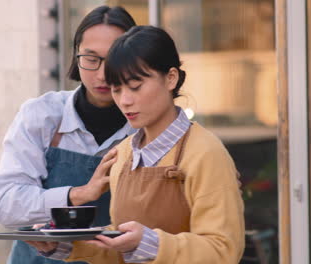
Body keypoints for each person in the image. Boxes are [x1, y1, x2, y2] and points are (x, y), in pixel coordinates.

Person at [31, 25, 245, 263]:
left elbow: (223, 250)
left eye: (135, 87)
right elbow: (120, 251)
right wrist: (65, 247)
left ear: (171, 78)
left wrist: (151, 243)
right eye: (117, 89)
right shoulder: (123, 154)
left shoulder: (206, 153)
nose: (124, 101)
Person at [0, 6, 137, 264]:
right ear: (75, 55)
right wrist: (78, 194)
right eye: (91, 59)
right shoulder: (41, 115)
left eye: (114, 59)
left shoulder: (147, 126)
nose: (102, 74)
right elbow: (7, 205)